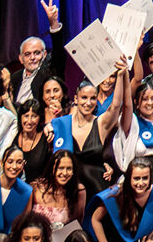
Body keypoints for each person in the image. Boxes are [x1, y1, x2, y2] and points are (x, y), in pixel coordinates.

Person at [49, 66, 128, 200]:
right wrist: (47, 126)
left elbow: (115, 105)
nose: (88, 102)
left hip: (97, 191)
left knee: (96, 221)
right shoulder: (63, 123)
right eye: (84, 97)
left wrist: (120, 76)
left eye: (92, 98)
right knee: (72, 222)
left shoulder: (101, 124)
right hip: (70, 191)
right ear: (76, 99)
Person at [6, 0, 67, 107]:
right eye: (28, 54)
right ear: (21, 58)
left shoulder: (49, 71)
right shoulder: (14, 78)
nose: (33, 57)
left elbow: (59, 54)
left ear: (44, 55)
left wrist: (53, 23)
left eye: (37, 53)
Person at [30, 149, 83, 227]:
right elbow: (25, 220)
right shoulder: (35, 188)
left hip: (62, 237)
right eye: (60, 168)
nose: (65, 173)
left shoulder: (78, 191)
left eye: (69, 168)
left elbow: (76, 223)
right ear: (52, 168)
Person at [10, 98, 52, 184]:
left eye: (34, 116)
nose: (29, 121)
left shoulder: (46, 138)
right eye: (26, 116)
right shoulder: (13, 135)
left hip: (40, 191)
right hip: (17, 189)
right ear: (20, 117)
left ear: (40, 118)